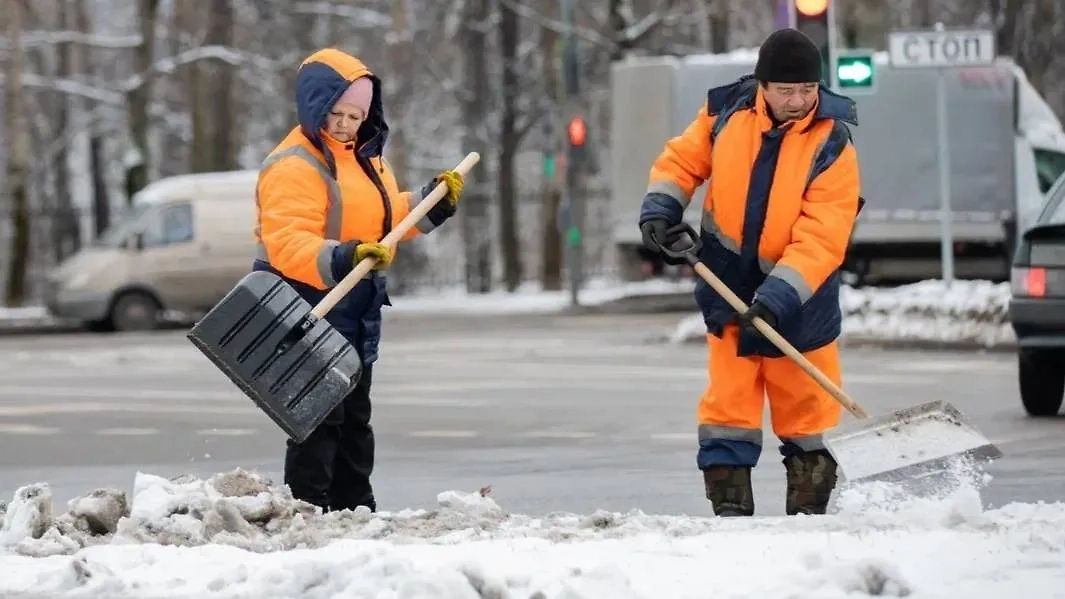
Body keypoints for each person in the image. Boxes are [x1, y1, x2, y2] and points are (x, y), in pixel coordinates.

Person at [638, 28, 863, 517]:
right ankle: (731, 521)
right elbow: (682, 160)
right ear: (763, 85)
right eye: (787, 90)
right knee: (728, 415)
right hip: (729, 288)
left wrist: (780, 296)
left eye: (808, 90)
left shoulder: (833, 142)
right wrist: (660, 208)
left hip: (800, 306)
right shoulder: (726, 113)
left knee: (806, 420)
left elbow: (823, 236)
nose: (799, 101)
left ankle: (807, 523)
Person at [253, 48, 465, 513]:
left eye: (356, 114)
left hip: (357, 307)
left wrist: (429, 203)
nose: (346, 123)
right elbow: (287, 242)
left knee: (354, 418)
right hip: (308, 307)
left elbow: (383, 227)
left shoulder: (366, 160)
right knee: (318, 418)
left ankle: (355, 508)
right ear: (314, 106)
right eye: (337, 112)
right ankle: (309, 508)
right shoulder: (296, 165)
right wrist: (345, 257)